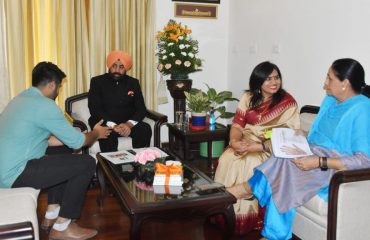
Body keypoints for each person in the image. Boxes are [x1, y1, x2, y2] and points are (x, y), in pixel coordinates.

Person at [228, 58, 370, 240]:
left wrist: (319, 162)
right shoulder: (330, 101)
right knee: (283, 154)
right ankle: (270, 229)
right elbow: (322, 135)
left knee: (285, 170)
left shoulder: (362, 110)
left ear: (345, 84)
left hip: (331, 166)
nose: (325, 83)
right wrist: (301, 134)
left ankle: (245, 190)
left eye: (329, 78)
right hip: (312, 151)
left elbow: (364, 160)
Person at [0, 62, 111, 240]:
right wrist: (96, 133)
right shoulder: (46, 106)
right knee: (87, 163)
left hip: (6, 169)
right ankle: (63, 226)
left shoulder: (21, 99)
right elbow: (78, 143)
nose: (58, 91)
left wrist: (80, 136)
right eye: (58, 86)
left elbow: (46, 140)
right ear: (52, 85)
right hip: (14, 174)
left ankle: (52, 213)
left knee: (62, 150)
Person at [214, 61, 300, 235]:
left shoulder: (288, 103)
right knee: (227, 157)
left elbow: (288, 138)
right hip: (244, 142)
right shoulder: (248, 98)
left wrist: (258, 147)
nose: (274, 82)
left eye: (277, 78)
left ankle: (243, 219)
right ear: (258, 82)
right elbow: (237, 125)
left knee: (249, 161)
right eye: (268, 79)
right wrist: (234, 142)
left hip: (268, 149)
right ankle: (220, 211)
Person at [88, 50, 152, 152]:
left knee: (144, 129)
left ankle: (138, 161)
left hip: (126, 122)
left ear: (126, 68)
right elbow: (94, 108)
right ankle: (110, 166)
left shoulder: (133, 83)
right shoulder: (97, 81)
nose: (117, 70)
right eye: (114, 66)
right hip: (104, 121)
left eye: (121, 67)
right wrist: (114, 126)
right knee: (107, 133)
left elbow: (141, 109)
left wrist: (128, 125)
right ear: (109, 66)